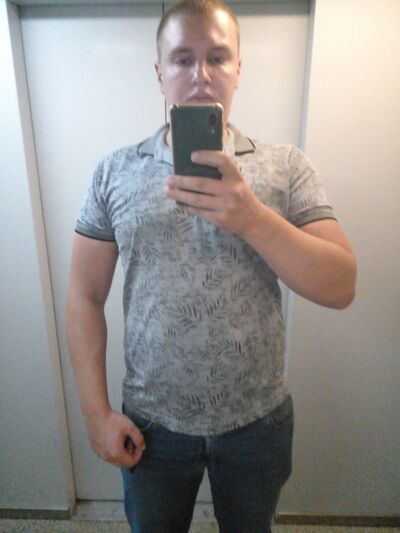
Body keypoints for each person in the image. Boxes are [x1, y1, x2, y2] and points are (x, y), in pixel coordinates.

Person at [65, 0, 357, 531]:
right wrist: (95, 413)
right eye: (182, 59)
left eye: (218, 58)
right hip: (151, 421)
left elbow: (340, 285)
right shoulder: (114, 172)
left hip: (257, 422)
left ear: (239, 68)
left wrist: (254, 219)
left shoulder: (285, 166)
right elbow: (84, 295)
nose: (201, 74)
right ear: (160, 72)